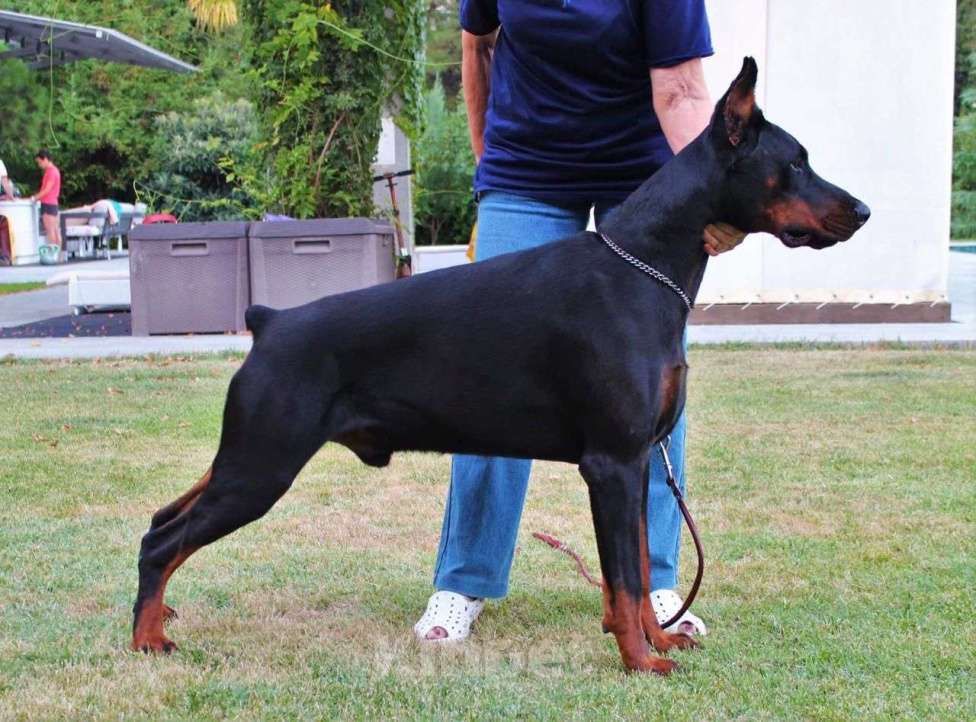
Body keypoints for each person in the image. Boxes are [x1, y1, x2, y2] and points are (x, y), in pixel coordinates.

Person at [413, 0, 746, 644]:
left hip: (642, 172)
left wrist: (711, 194)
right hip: (526, 169)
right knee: (490, 368)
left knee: (648, 375)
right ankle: (464, 579)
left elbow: (679, 87)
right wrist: (489, 165)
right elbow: (477, 46)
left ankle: (654, 582)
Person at [29, 149, 62, 254]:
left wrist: (35, 198)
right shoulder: (53, 171)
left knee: (50, 231)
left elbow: (47, 189)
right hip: (54, 203)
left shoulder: (51, 172)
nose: (39, 165)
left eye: (39, 162)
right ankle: (58, 255)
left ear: (46, 159)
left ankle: (52, 255)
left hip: (48, 203)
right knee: (56, 231)